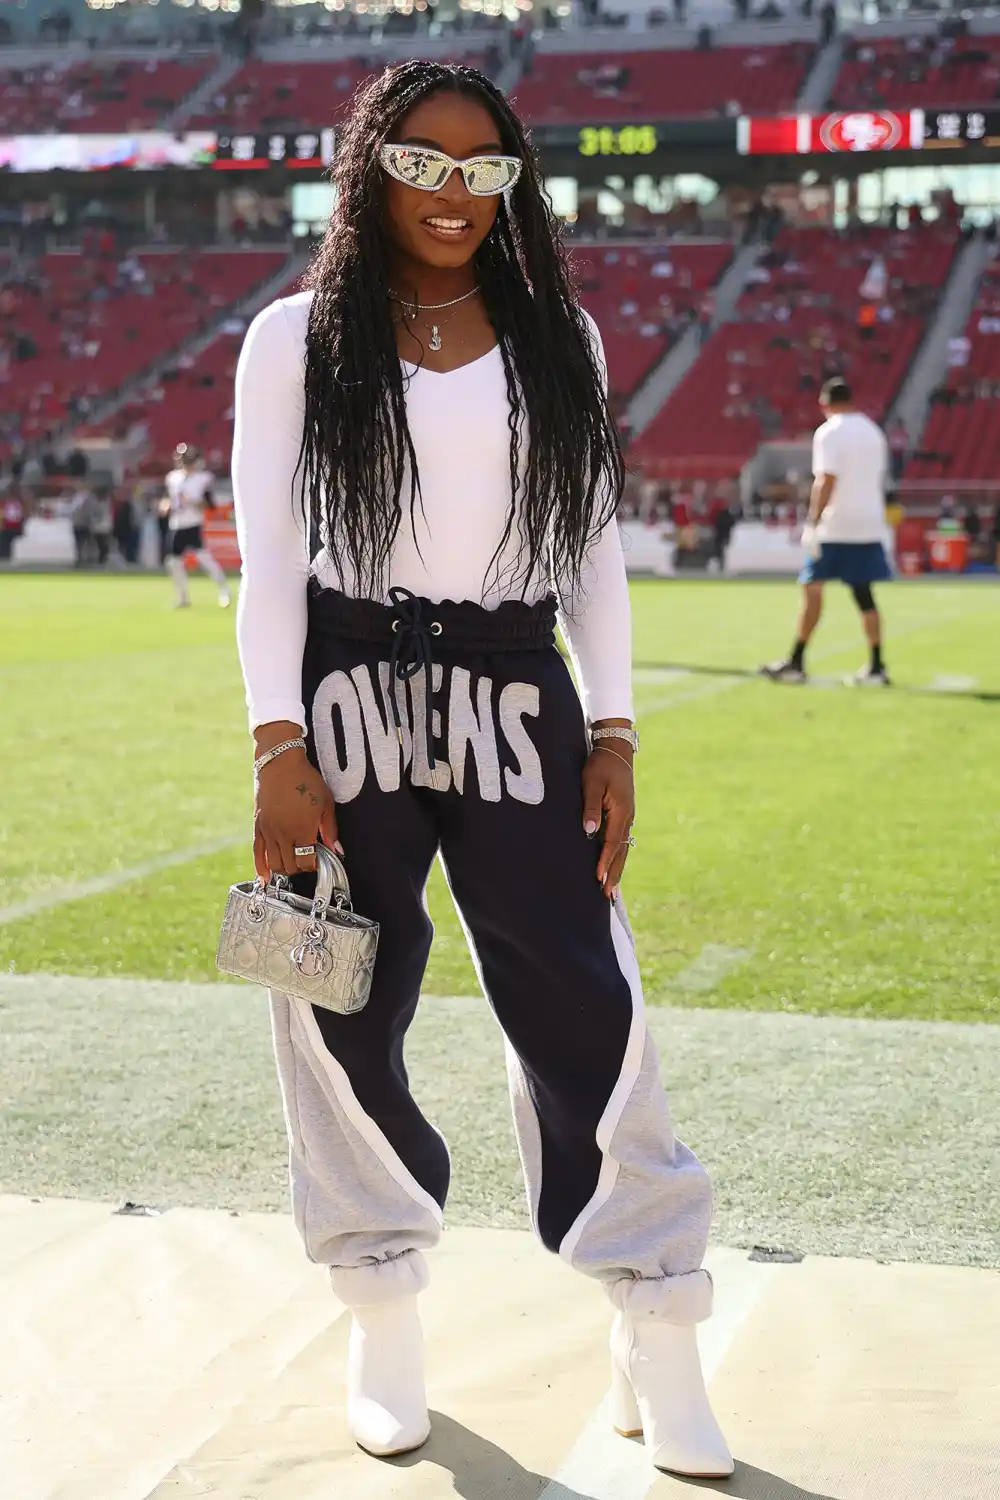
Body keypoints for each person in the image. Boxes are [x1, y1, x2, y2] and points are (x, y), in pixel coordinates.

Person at [232, 61, 732, 1479]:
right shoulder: (292, 335)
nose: (455, 193)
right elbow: (272, 560)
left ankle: (655, 1312)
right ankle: (382, 1304)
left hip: (520, 684)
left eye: (485, 168)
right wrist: (278, 741)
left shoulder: (558, 332)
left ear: (513, 183)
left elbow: (591, 550)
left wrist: (618, 725)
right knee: (339, 989)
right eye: (424, 161)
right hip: (346, 688)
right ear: (370, 165)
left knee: (585, 989)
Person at [761, 377, 892, 686]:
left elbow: (826, 480)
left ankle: (796, 661)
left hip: (837, 525)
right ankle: (876, 666)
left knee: (812, 587)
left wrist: (813, 522)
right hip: (869, 522)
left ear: (824, 403)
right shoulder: (874, 432)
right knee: (864, 594)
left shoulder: (829, 432)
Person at [160, 443, 231, 608]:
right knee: (172, 562)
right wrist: (165, 505)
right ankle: (182, 597)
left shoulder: (202, 478)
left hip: (193, 523)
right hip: (176, 524)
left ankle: (224, 590)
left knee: (204, 559)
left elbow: (210, 505)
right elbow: (167, 497)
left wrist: (193, 502)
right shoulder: (173, 478)